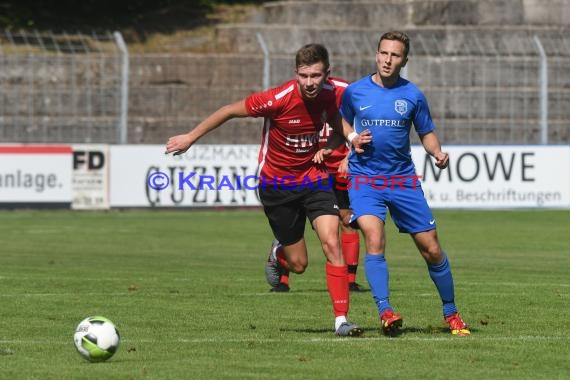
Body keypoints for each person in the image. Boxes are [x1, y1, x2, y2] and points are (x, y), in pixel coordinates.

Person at [165, 43, 370, 337]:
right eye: (304, 76)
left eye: (315, 75)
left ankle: (341, 321)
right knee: (299, 265)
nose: (310, 83)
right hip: (277, 185)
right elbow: (228, 110)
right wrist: (190, 137)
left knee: (332, 241)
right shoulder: (277, 98)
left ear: (327, 73)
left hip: (314, 179)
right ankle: (280, 253)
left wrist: (349, 138)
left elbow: (336, 120)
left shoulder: (330, 94)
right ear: (295, 74)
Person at [338, 31, 470, 336]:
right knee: (374, 235)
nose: (387, 60)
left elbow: (426, 132)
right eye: (383, 53)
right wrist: (352, 138)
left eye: (395, 55)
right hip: (365, 178)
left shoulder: (412, 95)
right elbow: (341, 120)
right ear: (376, 55)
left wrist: (437, 152)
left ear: (404, 60)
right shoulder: (355, 92)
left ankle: (451, 313)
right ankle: (385, 311)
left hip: (402, 180)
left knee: (432, 249)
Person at [266, 123, 365, 293]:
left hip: (339, 170)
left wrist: (349, 158)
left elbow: (355, 131)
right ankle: (283, 278)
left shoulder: (346, 99)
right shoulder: (308, 104)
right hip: (310, 171)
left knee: (346, 220)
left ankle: (350, 281)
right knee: (296, 222)